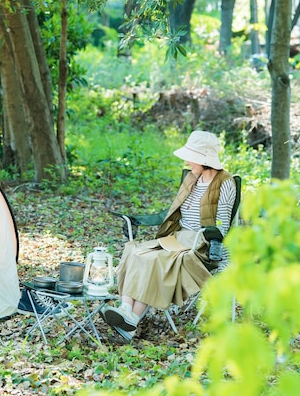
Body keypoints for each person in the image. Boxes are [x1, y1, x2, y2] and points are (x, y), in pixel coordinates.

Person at [101, 130, 237, 342]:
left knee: (154, 260)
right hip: (177, 238)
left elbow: (222, 225)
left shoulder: (225, 182)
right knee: (135, 251)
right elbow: (175, 210)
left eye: (191, 157)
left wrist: (207, 238)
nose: (186, 161)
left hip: (200, 245)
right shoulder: (193, 178)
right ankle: (125, 309)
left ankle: (130, 324)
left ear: (204, 158)